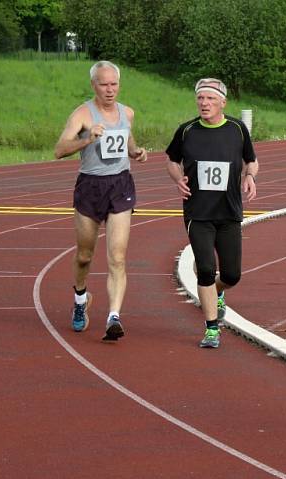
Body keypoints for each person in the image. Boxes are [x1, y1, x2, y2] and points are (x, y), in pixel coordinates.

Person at [54, 60, 148, 341]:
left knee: (117, 257)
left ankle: (113, 316)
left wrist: (136, 152)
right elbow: (59, 150)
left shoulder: (127, 113)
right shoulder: (82, 114)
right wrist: (86, 139)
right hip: (90, 187)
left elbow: (127, 141)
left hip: (120, 185)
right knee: (84, 256)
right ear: (93, 85)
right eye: (104, 84)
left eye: (114, 84)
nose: (110, 90)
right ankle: (81, 300)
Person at [166, 78, 258, 349]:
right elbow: (171, 160)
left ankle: (218, 291)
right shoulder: (187, 131)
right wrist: (177, 178)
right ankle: (211, 329)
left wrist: (250, 176)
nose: (204, 103)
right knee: (205, 269)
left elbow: (251, 160)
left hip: (229, 212)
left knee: (231, 275)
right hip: (198, 212)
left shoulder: (237, 130)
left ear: (222, 102)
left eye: (210, 99)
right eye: (200, 99)